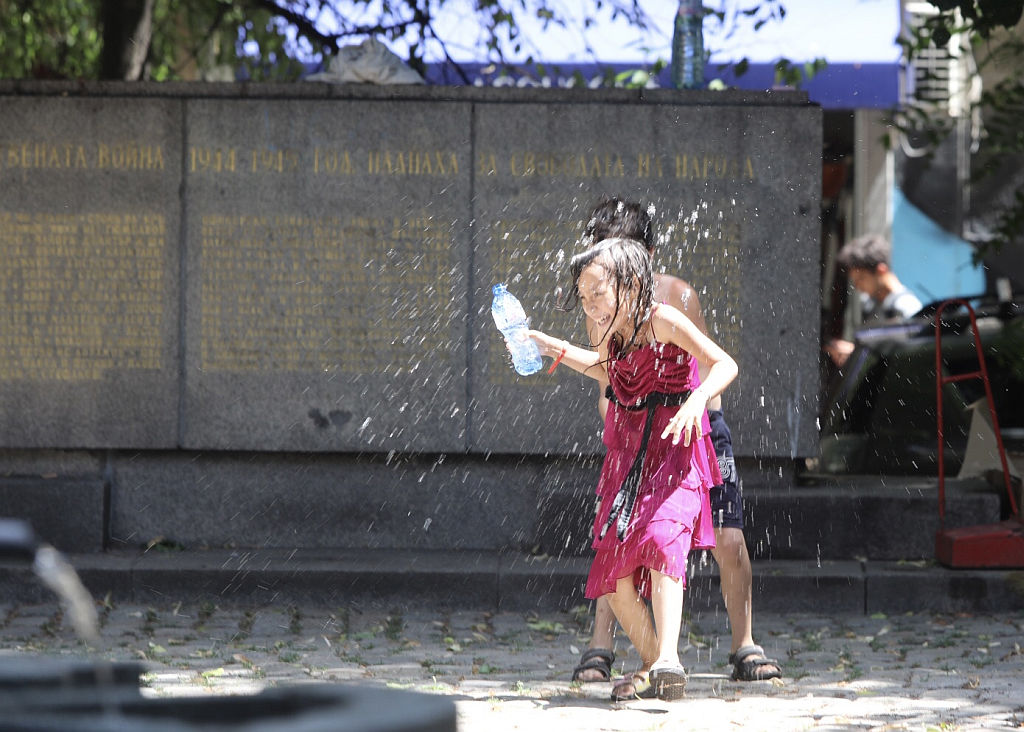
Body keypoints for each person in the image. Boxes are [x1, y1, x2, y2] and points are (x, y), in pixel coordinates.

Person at [570, 198, 782, 686]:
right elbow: (608, 377)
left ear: (643, 253)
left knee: (728, 536)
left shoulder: (674, 297)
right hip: (635, 437)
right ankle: (602, 645)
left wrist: (696, 411)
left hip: (696, 428)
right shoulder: (599, 300)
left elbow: (712, 364)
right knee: (617, 538)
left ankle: (744, 642)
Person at [524, 236, 737, 701]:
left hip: (676, 450)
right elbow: (606, 369)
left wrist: (698, 398)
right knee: (615, 576)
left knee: (663, 541)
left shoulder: (662, 319)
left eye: (597, 292)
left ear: (631, 283)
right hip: (630, 455)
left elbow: (723, 363)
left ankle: (668, 658)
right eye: (583, 296)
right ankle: (650, 665)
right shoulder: (608, 331)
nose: (590, 304)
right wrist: (548, 347)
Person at [825, 233, 924, 367]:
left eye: (861, 279)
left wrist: (856, 355)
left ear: (881, 270)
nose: (858, 287)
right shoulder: (871, 305)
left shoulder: (906, 307)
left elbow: (909, 358)